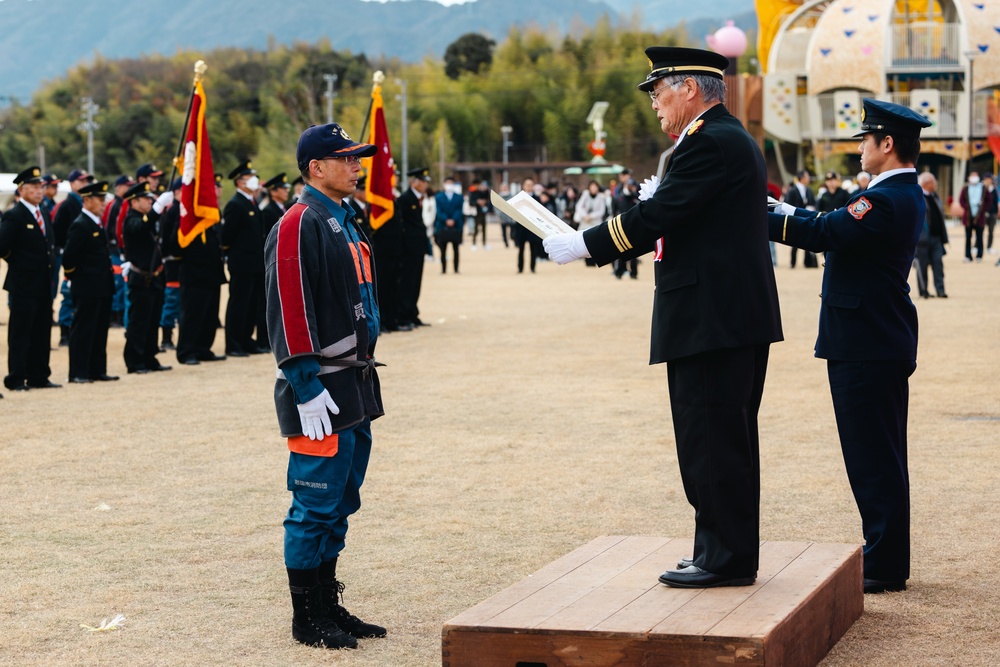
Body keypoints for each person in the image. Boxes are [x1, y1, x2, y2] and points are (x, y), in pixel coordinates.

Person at [544, 47, 783, 589]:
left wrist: (583, 243)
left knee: (712, 440)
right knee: (723, 439)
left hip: (711, 318)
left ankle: (724, 557)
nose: (654, 102)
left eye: (659, 91)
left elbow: (658, 215)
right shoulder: (720, 139)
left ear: (690, 89)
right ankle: (720, 550)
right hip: (725, 315)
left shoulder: (709, 144)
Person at [769, 98, 931, 594]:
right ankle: (884, 555)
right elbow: (830, 223)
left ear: (887, 144)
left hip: (867, 342)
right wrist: (783, 209)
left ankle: (882, 563)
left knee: (872, 456)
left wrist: (758, 214)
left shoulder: (885, 199)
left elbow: (825, 232)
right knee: (879, 454)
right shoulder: (895, 194)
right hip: (873, 338)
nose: (859, 147)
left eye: (866, 139)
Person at [264, 122, 387, 649]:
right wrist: (304, 382)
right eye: (348, 159)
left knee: (341, 498)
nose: (358, 166)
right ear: (317, 168)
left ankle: (328, 604)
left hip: (354, 381)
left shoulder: (343, 218)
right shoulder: (299, 221)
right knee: (313, 500)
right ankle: (305, 615)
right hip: (321, 388)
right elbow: (289, 308)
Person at [0, 166, 61, 391]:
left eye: (41, 187)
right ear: (22, 189)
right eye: (34, 187)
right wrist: (19, 264)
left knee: (41, 331)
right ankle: (16, 377)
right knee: (21, 334)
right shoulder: (14, 215)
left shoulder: (43, 213)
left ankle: (39, 375)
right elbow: (2, 246)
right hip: (23, 284)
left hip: (43, 283)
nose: (39, 191)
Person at [62, 180, 118, 383]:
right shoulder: (80, 224)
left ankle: (96, 369)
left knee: (99, 329)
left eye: (104, 199)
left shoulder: (95, 222)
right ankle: (78, 372)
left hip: (102, 286)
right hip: (87, 286)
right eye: (100, 199)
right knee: (83, 330)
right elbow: (69, 258)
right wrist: (79, 279)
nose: (103, 203)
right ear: (87, 200)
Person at [175, 174, 227, 365]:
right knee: (192, 315)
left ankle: (203, 348)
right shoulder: (189, 213)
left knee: (209, 314)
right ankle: (186, 351)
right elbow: (177, 242)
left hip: (212, 272)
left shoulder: (213, 212)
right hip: (194, 273)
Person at [121, 182, 172, 374]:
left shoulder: (145, 217)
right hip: (141, 278)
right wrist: (158, 207)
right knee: (139, 322)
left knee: (152, 320)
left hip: (155, 276)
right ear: (134, 202)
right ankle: (134, 361)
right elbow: (140, 228)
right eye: (146, 199)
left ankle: (150, 357)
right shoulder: (132, 219)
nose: (150, 201)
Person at [221, 160, 267, 356]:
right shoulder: (235, 204)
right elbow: (227, 236)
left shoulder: (250, 201)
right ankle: (234, 343)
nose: (254, 181)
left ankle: (247, 339)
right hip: (241, 263)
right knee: (239, 304)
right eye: (250, 178)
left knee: (251, 304)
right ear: (240, 182)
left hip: (255, 263)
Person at [53, 168, 95, 344]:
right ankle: (64, 331)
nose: (85, 184)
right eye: (82, 181)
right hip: (71, 254)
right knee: (68, 293)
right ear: (72, 183)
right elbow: (58, 233)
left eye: (87, 181)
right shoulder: (67, 205)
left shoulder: (85, 203)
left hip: (86, 257)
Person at [397, 167, 432, 328]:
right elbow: (403, 224)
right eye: (423, 181)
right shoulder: (405, 199)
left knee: (416, 283)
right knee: (407, 283)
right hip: (409, 248)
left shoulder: (419, 198)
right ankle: (404, 315)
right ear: (414, 182)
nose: (425, 185)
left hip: (418, 247)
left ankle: (413, 313)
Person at [157, 178, 183, 351]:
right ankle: (166, 336)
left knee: (180, 301)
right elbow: (168, 239)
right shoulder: (173, 211)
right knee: (171, 300)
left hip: (182, 263)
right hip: (173, 262)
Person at [915, 172, 949, 298]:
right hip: (922, 239)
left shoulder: (935, 197)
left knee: (938, 265)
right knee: (922, 266)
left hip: (936, 238)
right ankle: (924, 291)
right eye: (934, 182)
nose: (936, 184)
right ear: (927, 183)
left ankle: (940, 290)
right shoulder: (917, 197)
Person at [784, 170, 816, 267]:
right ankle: (793, 262)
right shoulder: (792, 191)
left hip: (807, 218)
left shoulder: (809, 190)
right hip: (795, 218)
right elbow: (787, 204)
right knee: (794, 242)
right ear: (802, 178)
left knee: (807, 240)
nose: (808, 179)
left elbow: (813, 202)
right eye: (807, 177)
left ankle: (807, 262)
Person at [959, 171, 993, 262]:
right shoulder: (965, 188)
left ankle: (979, 256)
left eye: (975, 176)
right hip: (968, 217)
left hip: (980, 217)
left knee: (979, 237)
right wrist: (967, 207)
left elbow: (989, 201)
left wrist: (983, 208)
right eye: (972, 176)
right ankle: (968, 256)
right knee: (968, 237)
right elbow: (961, 200)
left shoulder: (983, 188)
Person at [612, 169, 640, 278]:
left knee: (634, 249)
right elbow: (615, 205)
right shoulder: (619, 189)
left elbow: (641, 199)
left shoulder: (636, 187)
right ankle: (620, 270)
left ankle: (633, 272)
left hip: (634, 222)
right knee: (620, 247)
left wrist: (633, 192)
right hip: (621, 221)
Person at [434, 176, 464, 274]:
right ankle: (443, 269)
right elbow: (439, 211)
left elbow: (459, 210)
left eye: (451, 183)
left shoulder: (459, 197)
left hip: (456, 226)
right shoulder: (438, 197)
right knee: (443, 249)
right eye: (447, 183)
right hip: (442, 225)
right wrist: (446, 220)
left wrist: (453, 220)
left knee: (456, 249)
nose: (449, 185)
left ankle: (456, 269)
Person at [514, 177, 543, 273]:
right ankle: (520, 268)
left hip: (532, 227)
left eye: (531, 185)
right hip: (521, 227)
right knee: (521, 249)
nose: (529, 187)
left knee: (533, 249)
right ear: (523, 186)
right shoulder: (518, 197)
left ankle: (532, 268)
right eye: (527, 184)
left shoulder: (537, 198)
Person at [470, 180, 492, 249]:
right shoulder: (475, 192)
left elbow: (490, 202)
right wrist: (478, 202)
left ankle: (484, 244)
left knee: (484, 229)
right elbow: (471, 202)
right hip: (476, 213)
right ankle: (474, 243)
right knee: (476, 229)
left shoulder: (487, 193)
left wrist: (485, 202)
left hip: (484, 213)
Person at [983, 173, 998, 255]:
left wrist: (995, 212)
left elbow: (995, 202)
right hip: (983, 213)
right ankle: (977, 246)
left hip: (992, 214)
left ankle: (989, 247)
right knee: (980, 231)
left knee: (991, 231)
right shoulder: (982, 189)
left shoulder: (994, 190)